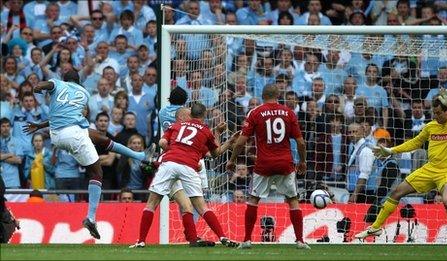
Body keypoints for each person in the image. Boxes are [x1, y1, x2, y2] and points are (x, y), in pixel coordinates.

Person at [26, 70, 156, 240]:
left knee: (100, 138)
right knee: (97, 173)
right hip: (73, 133)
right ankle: (91, 218)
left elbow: (48, 87)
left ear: (64, 79)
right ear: (78, 81)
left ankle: (140, 156)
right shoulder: (84, 93)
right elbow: (75, 111)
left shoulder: (57, 84)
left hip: (57, 134)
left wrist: (38, 88)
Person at [355, 90, 447, 245]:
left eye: (439, 113)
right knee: (397, 191)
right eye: (434, 113)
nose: (436, 116)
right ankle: (376, 227)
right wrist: (391, 150)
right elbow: (414, 143)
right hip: (429, 169)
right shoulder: (431, 126)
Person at [134, 103, 239, 248]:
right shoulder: (204, 131)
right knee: (201, 207)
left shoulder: (176, 127)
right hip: (187, 167)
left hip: (168, 165)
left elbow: (162, 141)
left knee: (154, 204)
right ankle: (222, 236)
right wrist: (221, 136)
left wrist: (175, 152)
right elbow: (214, 153)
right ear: (204, 114)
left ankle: (141, 241)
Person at [226, 85, 310, 249]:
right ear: (278, 95)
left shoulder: (255, 112)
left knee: (253, 200)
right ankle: (300, 240)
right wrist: (303, 161)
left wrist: (232, 159)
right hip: (285, 163)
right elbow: (300, 142)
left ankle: (247, 240)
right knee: (293, 200)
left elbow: (242, 141)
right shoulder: (289, 112)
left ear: (262, 96)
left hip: (263, 164)